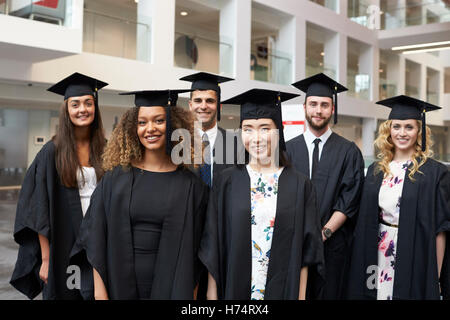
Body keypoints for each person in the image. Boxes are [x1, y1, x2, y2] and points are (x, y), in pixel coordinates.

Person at [73, 89, 209, 300]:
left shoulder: (192, 186)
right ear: (132, 128)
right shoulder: (115, 179)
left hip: (172, 290)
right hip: (118, 288)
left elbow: (198, 254)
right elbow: (94, 239)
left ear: (173, 125)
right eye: (142, 122)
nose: (150, 128)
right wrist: (101, 296)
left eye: (159, 121)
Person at [199, 89, 324, 300]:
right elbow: (213, 245)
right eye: (248, 129)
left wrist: (301, 297)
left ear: (278, 132)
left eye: (265, 128)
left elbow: (306, 251)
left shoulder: (300, 185)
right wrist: (212, 296)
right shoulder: (226, 181)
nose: (256, 138)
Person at [10, 72, 108, 300]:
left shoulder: (106, 148)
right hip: (64, 241)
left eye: (88, 103)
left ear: (96, 106)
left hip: (99, 238)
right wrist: (46, 259)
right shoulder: (51, 152)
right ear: (66, 109)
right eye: (75, 104)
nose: (82, 109)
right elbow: (39, 208)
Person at [347, 95, 450, 300]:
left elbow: (441, 230)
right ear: (388, 130)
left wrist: (435, 277)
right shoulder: (376, 171)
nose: (402, 133)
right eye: (396, 126)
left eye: (409, 127)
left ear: (419, 131)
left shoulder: (435, 173)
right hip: (378, 253)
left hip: (416, 255)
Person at [286, 73, 365, 300]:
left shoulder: (349, 151)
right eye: (313, 104)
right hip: (295, 244)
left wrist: (324, 233)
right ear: (304, 107)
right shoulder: (287, 150)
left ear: (332, 109)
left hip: (333, 246)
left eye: (324, 105)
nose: (318, 110)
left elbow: (350, 198)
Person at [180, 72, 237, 187]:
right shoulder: (178, 143)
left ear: (219, 106)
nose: (203, 106)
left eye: (210, 101)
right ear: (190, 105)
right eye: (198, 101)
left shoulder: (236, 143)